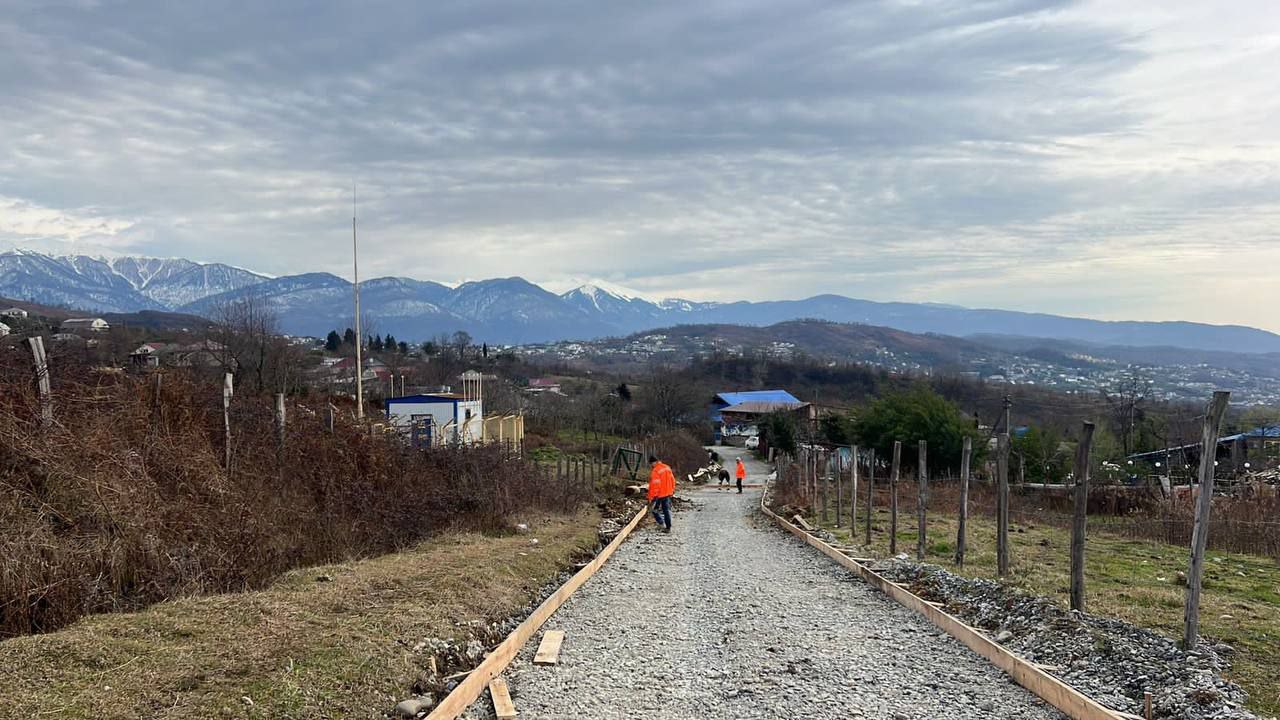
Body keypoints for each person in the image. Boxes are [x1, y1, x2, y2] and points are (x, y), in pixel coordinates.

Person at [648, 455, 676, 532]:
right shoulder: (667, 467)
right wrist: (672, 490)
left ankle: (661, 523)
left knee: (654, 509)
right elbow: (672, 480)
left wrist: (652, 497)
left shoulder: (656, 471)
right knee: (666, 510)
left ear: (653, 462)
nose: (651, 466)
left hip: (659, 494)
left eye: (651, 464)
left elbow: (655, 485)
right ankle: (668, 527)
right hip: (667, 493)